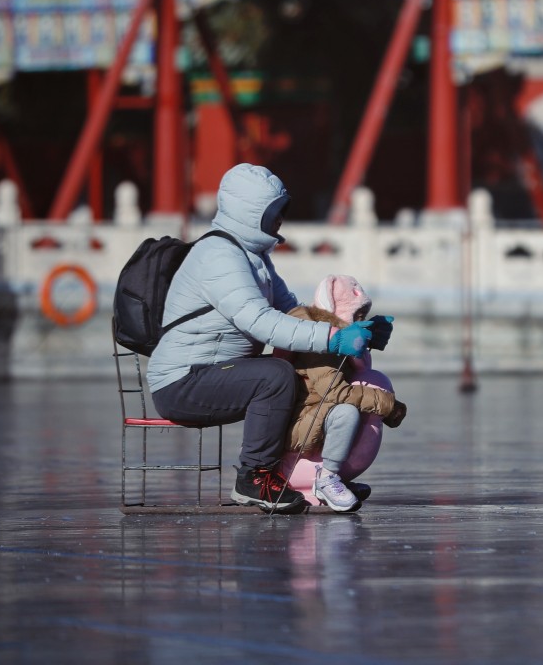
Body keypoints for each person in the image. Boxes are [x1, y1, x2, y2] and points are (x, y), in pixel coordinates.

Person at [146, 164, 394, 512]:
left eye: (281, 211)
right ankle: (255, 478)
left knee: (303, 371)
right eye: (273, 213)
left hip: (219, 372)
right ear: (250, 213)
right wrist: (334, 337)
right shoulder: (219, 256)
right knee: (276, 376)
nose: (280, 221)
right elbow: (262, 323)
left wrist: (356, 326)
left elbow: (294, 314)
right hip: (182, 381)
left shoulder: (253, 257)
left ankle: (320, 475)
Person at [284, 274, 408, 512]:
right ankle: (326, 477)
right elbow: (334, 393)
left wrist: (366, 347)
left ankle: (334, 476)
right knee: (347, 413)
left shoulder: (337, 339)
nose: (359, 321)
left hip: (317, 415)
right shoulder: (318, 341)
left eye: (363, 315)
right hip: (301, 427)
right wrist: (388, 405)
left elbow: (355, 377)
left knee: (367, 389)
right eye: (356, 315)